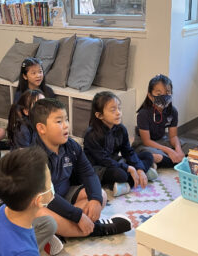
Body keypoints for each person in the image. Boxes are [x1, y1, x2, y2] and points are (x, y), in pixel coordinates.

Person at [31, 98, 132, 238]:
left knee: (100, 194)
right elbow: (49, 198)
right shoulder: (33, 156)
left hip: (66, 195)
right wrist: (77, 216)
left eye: (66, 120)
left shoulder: (71, 146)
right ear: (41, 128)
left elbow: (89, 173)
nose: (66, 125)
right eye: (59, 122)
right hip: (47, 203)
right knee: (42, 215)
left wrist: (95, 200)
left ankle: (64, 231)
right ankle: (98, 229)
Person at [83, 91, 158, 197]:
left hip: (115, 161)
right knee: (120, 174)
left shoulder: (121, 129)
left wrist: (139, 168)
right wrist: (128, 168)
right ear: (99, 115)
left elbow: (128, 151)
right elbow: (103, 160)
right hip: (99, 167)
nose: (118, 113)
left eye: (119, 108)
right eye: (113, 110)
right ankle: (130, 180)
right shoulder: (91, 134)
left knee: (148, 155)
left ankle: (138, 175)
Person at [132, 74, 187, 167]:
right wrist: (169, 150)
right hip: (145, 144)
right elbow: (146, 141)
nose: (164, 97)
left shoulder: (172, 111)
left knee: (190, 148)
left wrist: (178, 150)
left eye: (167, 93)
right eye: (159, 94)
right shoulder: (143, 114)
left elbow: (173, 136)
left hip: (162, 141)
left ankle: (164, 161)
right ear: (150, 96)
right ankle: (160, 160)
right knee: (153, 154)